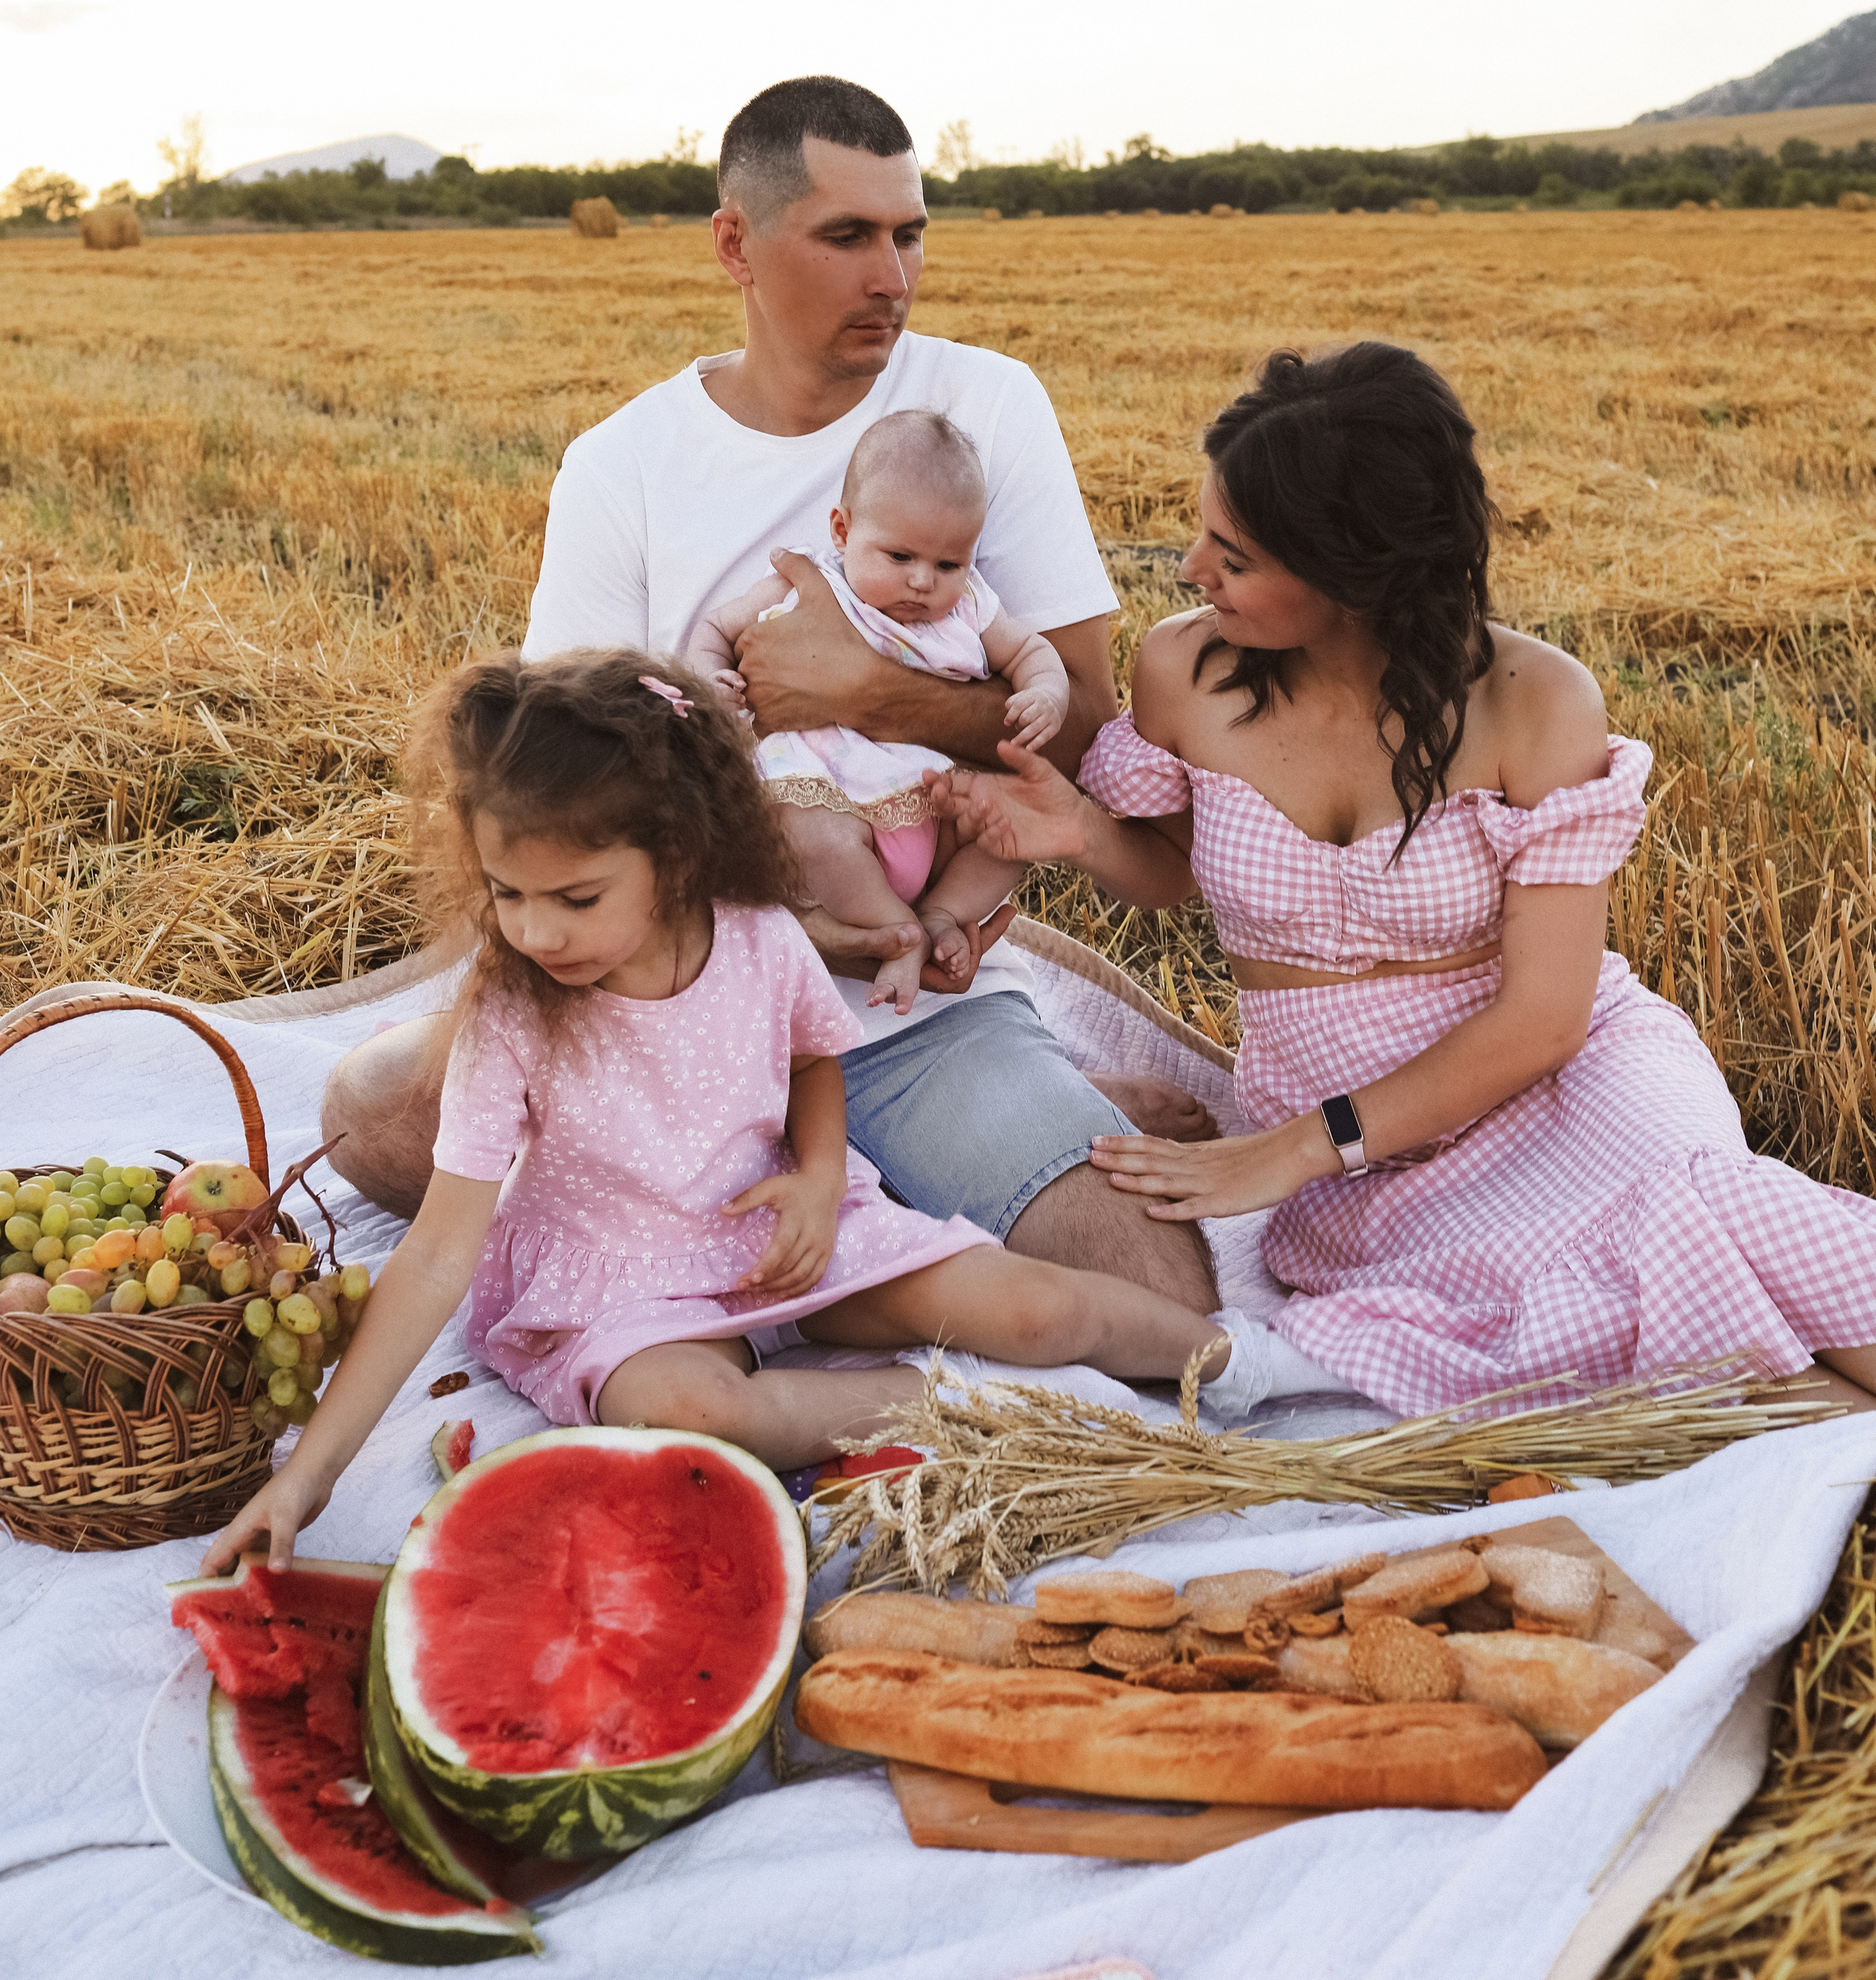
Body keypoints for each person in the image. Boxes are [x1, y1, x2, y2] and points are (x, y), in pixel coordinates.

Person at [320, 75, 1216, 1314]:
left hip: (912, 1004)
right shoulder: (622, 467)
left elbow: (1087, 728)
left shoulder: (986, 407)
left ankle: (873, 1177)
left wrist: (875, 694)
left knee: (1158, 1287)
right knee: (370, 1118)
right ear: (736, 245)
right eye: (847, 236)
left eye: (909, 233)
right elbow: (551, 786)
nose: (892, 276)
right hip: (676, 1002)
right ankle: (872, 1205)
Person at [928, 341, 1876, 1416]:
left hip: (1560, 1082)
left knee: (1709, 1218)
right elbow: (1170, 875)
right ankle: (1805, 1415)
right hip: (1367, 1161)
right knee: (1547, 1322)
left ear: (1352, 575)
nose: (1190, 568)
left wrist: (1289, 1152)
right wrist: (1084, 834)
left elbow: (1546, 1017)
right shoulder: (1184, 672)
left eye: (1232, 557)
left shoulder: (1534, 700)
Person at [202, 654, 1269, 1574]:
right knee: (698, 1413)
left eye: (575, 898)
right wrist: (310, 1475)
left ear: (676, 857)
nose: (535, 930)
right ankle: (993, 1410)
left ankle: (1251, 1367)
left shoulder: (756, 936)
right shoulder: (514, 1005)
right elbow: (437, 1253)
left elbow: (813, 1052)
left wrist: (815, 1176)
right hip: (618, 1269)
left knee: (1046, 1309)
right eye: (506, 892)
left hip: (778, 1227)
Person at [690, 409, 1070, 1016]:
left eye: (949, 564)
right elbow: (718, 626)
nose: (924, 581)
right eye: (899, 556)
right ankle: (898, 933)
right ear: (842, 530)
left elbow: (1030, 651)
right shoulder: (812, 579)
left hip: (935, 802)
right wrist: (711, 678)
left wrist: (1045, 691)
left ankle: (945, 912)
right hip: (830, 790)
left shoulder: (970, 607)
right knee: (812, 838)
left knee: (1017, 826)